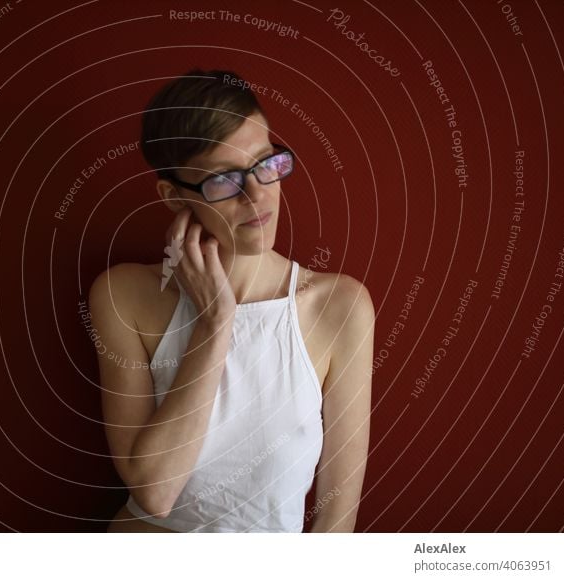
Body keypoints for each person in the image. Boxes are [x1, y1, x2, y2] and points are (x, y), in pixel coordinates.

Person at [88, 69, 374, 532]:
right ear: (175, 198)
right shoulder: (124, 296)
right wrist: (215, 321)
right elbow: (156, 492)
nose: (258, 193)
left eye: (266, 163)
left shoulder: (339, 306)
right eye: (224, 180)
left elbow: (336, 517)